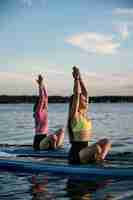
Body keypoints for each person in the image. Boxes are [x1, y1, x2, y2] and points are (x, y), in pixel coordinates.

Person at [67, 66, 111, 164]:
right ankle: (98, 162)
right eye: (83, 99)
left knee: (106, 142)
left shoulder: (84, 115)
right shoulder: (75, 116)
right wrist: (76, 79)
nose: (86, 100)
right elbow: (77, 94)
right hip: (76, 155)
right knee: (97, 148)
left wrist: (81, 77)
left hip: (85, 152)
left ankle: (100, 160)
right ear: (78, 102)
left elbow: (86, 93)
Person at [33, 74, 64, 150]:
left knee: (61, 131)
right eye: (43, 103)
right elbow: (42, 97)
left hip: (45, 140)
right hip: (39, 142)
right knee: (53, 136)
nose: (45, 103)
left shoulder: (45, 110)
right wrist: (40, 85)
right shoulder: (38, 112)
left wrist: (42, 84)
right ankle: (54, 151)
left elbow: (45, 97)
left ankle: (57, 147)